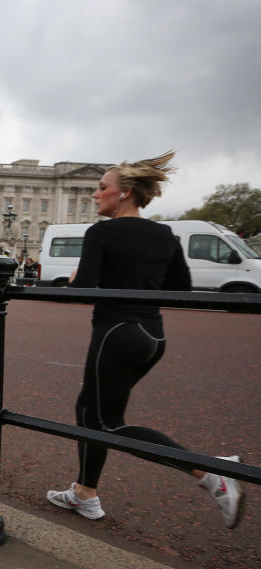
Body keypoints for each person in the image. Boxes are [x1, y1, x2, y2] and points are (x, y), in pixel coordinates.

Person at [46, 151, 244, 528]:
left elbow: (81, 289)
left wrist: (75, 279)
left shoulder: (101, 232)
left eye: (102, 188)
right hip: (152, 336)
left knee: (107, 423)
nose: (95, 194)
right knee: (88, 409)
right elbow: (180, 289)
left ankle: (211, 473)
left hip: (115, 334)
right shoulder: (164, 233)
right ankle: (85, 494)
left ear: (124, 194)